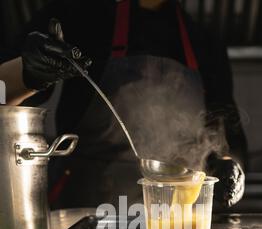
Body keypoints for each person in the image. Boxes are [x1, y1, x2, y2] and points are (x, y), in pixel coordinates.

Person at [0, 0, 247, 209]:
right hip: (88, 214)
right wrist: (26, 72)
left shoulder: (204, 41)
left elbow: (229, 135)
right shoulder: (79, 16)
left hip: (181, 219)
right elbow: (4, 92)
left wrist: (228, 165)